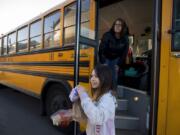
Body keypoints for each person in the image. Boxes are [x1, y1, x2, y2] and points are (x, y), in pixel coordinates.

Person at [70, 64, 117, 135]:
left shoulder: (108, 98)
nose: (92, 79)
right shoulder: (97, 94)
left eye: (96, 76)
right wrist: (77, 95)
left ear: (105, 78)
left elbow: (97, 118)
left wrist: (83, 95)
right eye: (91, 76)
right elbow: (72, 98)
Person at [99, 18, 129, 88]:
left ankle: (113, 93)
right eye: (116, 24)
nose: (117, 26)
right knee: (105, 76)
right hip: (106, 57)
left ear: (123, 27)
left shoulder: (125, 38)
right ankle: (104, 92)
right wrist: (103, 62)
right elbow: (101, 49)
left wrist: (118, 64)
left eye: (120, 25)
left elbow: (124, 52)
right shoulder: (107, 35)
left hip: (116, 58)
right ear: (113, 25)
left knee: (114, 76)